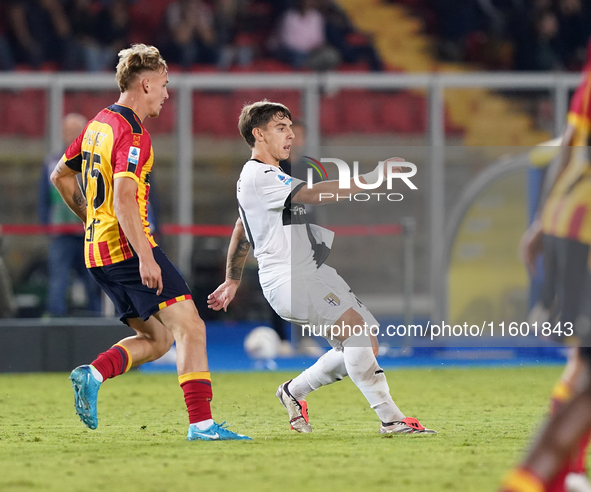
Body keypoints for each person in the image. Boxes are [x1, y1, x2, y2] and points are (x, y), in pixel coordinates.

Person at [50, 44, 250, 441]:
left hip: (97, 251)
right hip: (127, 248)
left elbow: (60, 175)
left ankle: (92, 373)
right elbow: (124, 197)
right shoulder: (132, 132)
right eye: (163, 84)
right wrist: (145, 256)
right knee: (191, 327)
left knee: (158, 339)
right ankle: (202, 425)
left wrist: (93, 222)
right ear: (144, 83)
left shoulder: (97, 125)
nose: (166, 94)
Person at [208, 100, 436, 434]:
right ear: (258, 134)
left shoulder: (262, 176)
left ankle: (293, 391)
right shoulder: (261, 174)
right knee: (356, 336)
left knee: (366, 345)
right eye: (281, 128)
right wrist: (373, 177)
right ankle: (393, 420)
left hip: (309, 273)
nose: (290, 136)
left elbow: (242, 228)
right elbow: (314, 194)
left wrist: (232, 279)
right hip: (291, 279)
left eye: (290, 128)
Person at [500, 42, 591, 492]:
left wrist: (543, 220)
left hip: (571, 220)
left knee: (584, 363)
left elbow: (571, 146)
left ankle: (558, 475)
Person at [39, 113, 102, 317]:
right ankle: (56, 325)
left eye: (77, 131)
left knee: (95, 281)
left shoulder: (97, 160)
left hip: (90, 233)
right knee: (58, 281)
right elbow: (43, 198)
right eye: (69, 131)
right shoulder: (51, 161)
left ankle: (96, 323)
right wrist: (47, 227)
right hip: (61, 233)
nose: (73, 135)